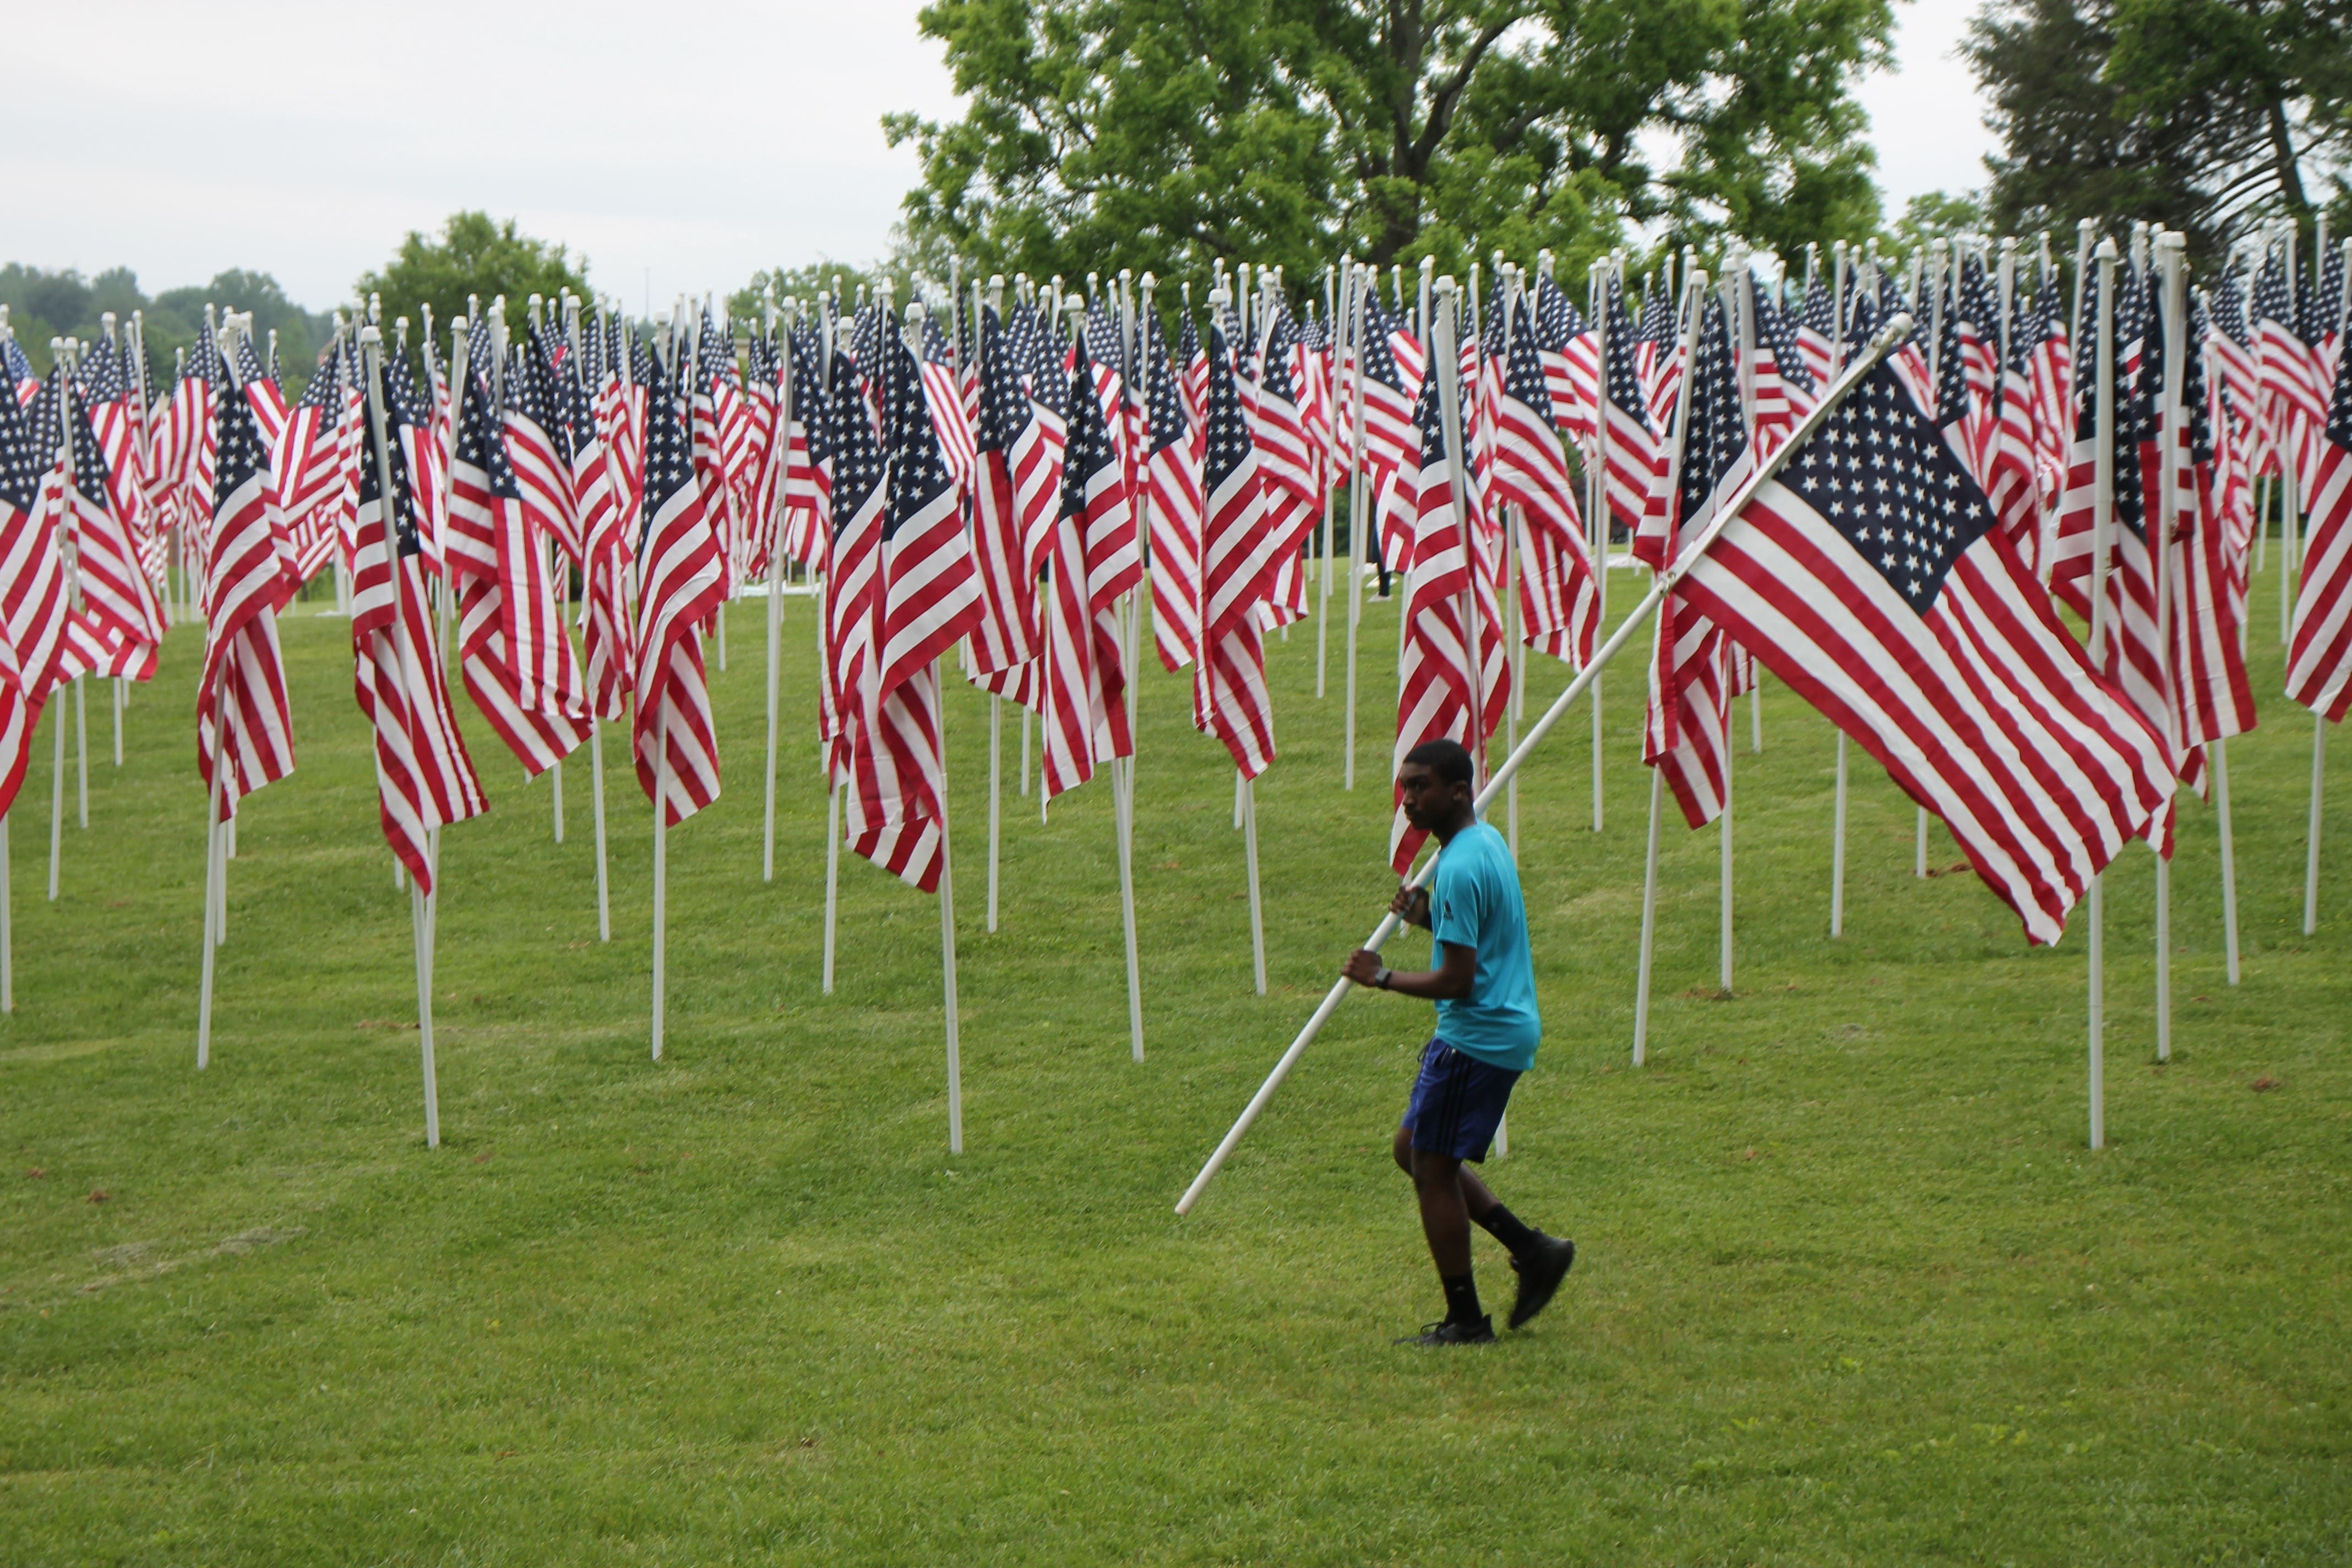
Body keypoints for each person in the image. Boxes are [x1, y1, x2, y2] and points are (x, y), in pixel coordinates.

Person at [1342, 739, 1575, 1346]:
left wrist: (1381, 977)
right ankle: (1533, 1249)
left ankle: (1466, 1320)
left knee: (1431, 1166)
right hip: (1497, 1025)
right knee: (1413, 1149)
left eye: (1421, 786)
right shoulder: (1481, 843)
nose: (1409, 799)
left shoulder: (1461, 866)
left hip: (1479, 1035)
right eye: (1405, 787)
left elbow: (1457, 980)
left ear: (1460, 790)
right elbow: (1480, 933)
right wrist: (1428, 917)